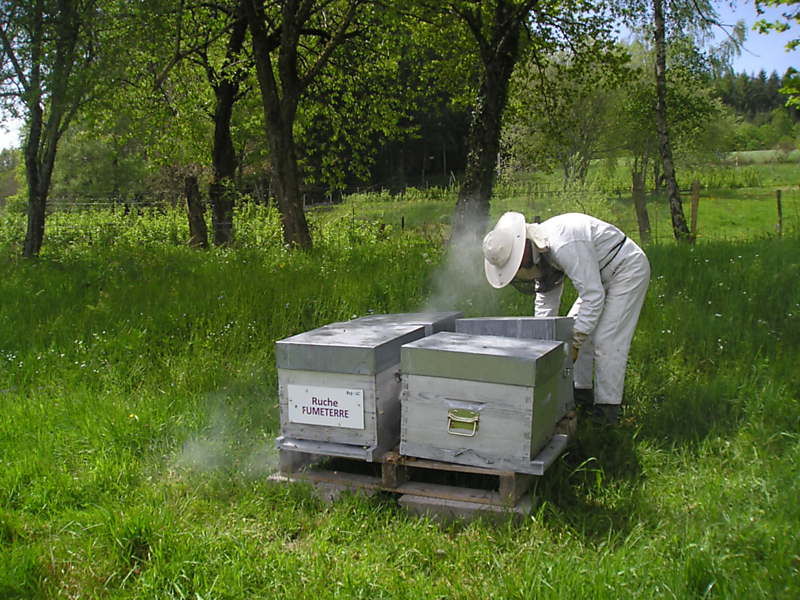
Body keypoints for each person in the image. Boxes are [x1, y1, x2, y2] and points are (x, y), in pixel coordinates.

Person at [481, 211, 650, 424]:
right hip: (598, 277)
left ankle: (607, 411)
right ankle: (581, 394)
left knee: (607, 340)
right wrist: (540, 346)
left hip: (626, 269)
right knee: (571, 332)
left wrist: (576, 343)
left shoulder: (562, 245)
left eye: (515, 264)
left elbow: (593, 296)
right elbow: (546, 302)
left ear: (522, 250)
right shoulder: (540, 250)